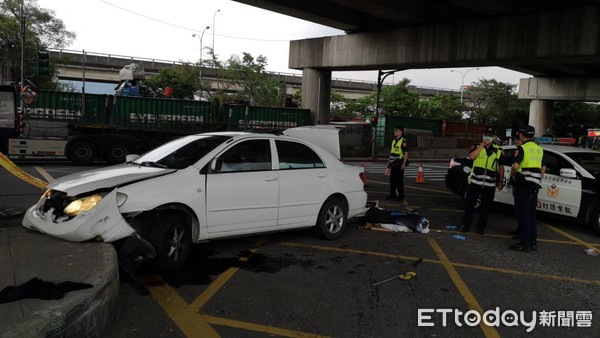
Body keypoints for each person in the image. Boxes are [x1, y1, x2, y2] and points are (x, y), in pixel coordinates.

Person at [460, 128, 504, 235]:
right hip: (475, 183)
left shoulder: (498, 150)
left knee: (485, 208)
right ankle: (466, 225)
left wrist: (501, 181)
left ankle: (481, 227)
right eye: (486, 135)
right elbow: (471, 157)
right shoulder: (476, 147)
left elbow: (501, 167)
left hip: (489, 185)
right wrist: (481, 146)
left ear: (494, 137)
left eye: (490, 135)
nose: (487, 137)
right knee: (470, 206)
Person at [509, 125, 545, 253]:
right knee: (531, 214)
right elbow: (543, 169)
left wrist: (512, 177)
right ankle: (533, 242)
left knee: (523, 214)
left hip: (522, 184)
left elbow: (515, 166)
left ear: (521, 135)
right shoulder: (539, 149)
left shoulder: (522, 148)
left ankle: (525, 244)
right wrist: (537, 179)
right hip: (534, 185)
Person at [387, 126, 409, 201]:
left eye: (396, 131)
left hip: (399, 163)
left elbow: (406, 153)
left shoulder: (403, 141)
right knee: (392, 180)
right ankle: (392, 194)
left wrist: (404, 163)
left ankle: (401, 196)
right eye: (394, 130)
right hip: (393, 163)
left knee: (399, 180)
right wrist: (389, 162)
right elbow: (392, 152)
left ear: (401, 132)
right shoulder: (394, 140)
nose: (394, 132)